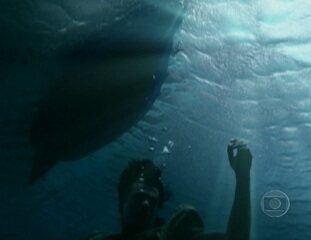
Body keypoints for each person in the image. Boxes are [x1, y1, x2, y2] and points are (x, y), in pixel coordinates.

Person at [83, 139, 252, 240]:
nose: (146, 205)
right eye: (139, 197)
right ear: (122, 201)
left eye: (152, 201)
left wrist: (242, 177)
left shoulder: (172, 235)